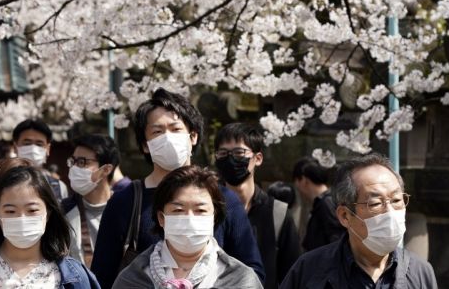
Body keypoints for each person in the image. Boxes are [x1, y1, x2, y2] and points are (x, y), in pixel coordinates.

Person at [91, 88, 264, 288]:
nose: (168, 137)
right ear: (145, 145)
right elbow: (101, 277)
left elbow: (251, 272)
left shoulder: (224, 199)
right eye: (157, 131)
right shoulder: (125, 202)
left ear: (193, 137)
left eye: (175, 129)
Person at [281, 154, 438, 288]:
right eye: (376, 203)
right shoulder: (309, 270)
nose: (390, 212)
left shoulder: (420, 272)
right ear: (344, 216)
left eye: (396, 200)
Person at [0, 165, 99, 289]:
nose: (22, 218)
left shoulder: (75, 276)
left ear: (48, 214)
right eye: (10, 211)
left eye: (32, 210)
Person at [114, 165, 262, 288]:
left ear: (214, 217)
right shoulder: (133, 278)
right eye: (178, 210)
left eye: (200, 210)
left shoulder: (241, 280)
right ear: (161, 218)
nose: (190, 219)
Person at [214, 123, 300, 289]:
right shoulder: (206, 210)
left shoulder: (278, 213)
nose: (231, 159)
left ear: (258, 158)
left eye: (239, 152)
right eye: (223, 153)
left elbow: (292, 276)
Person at [63, 134, 121, 264]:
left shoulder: (126, 208)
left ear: (106, 169)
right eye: (73, 161)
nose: (74, 168)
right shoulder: (63, 211)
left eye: (82, 162)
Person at [293, 156, 343, 251]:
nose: (297, 187)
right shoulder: (327, 201)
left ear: (304, 180)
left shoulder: (326, 203)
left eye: (296, 182)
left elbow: (336, 240)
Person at [11, 119, 69, 202]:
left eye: (39, 144)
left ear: (48, 149)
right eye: (27, 143)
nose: (33, 149)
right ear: (15, 147)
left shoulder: (58, 187)